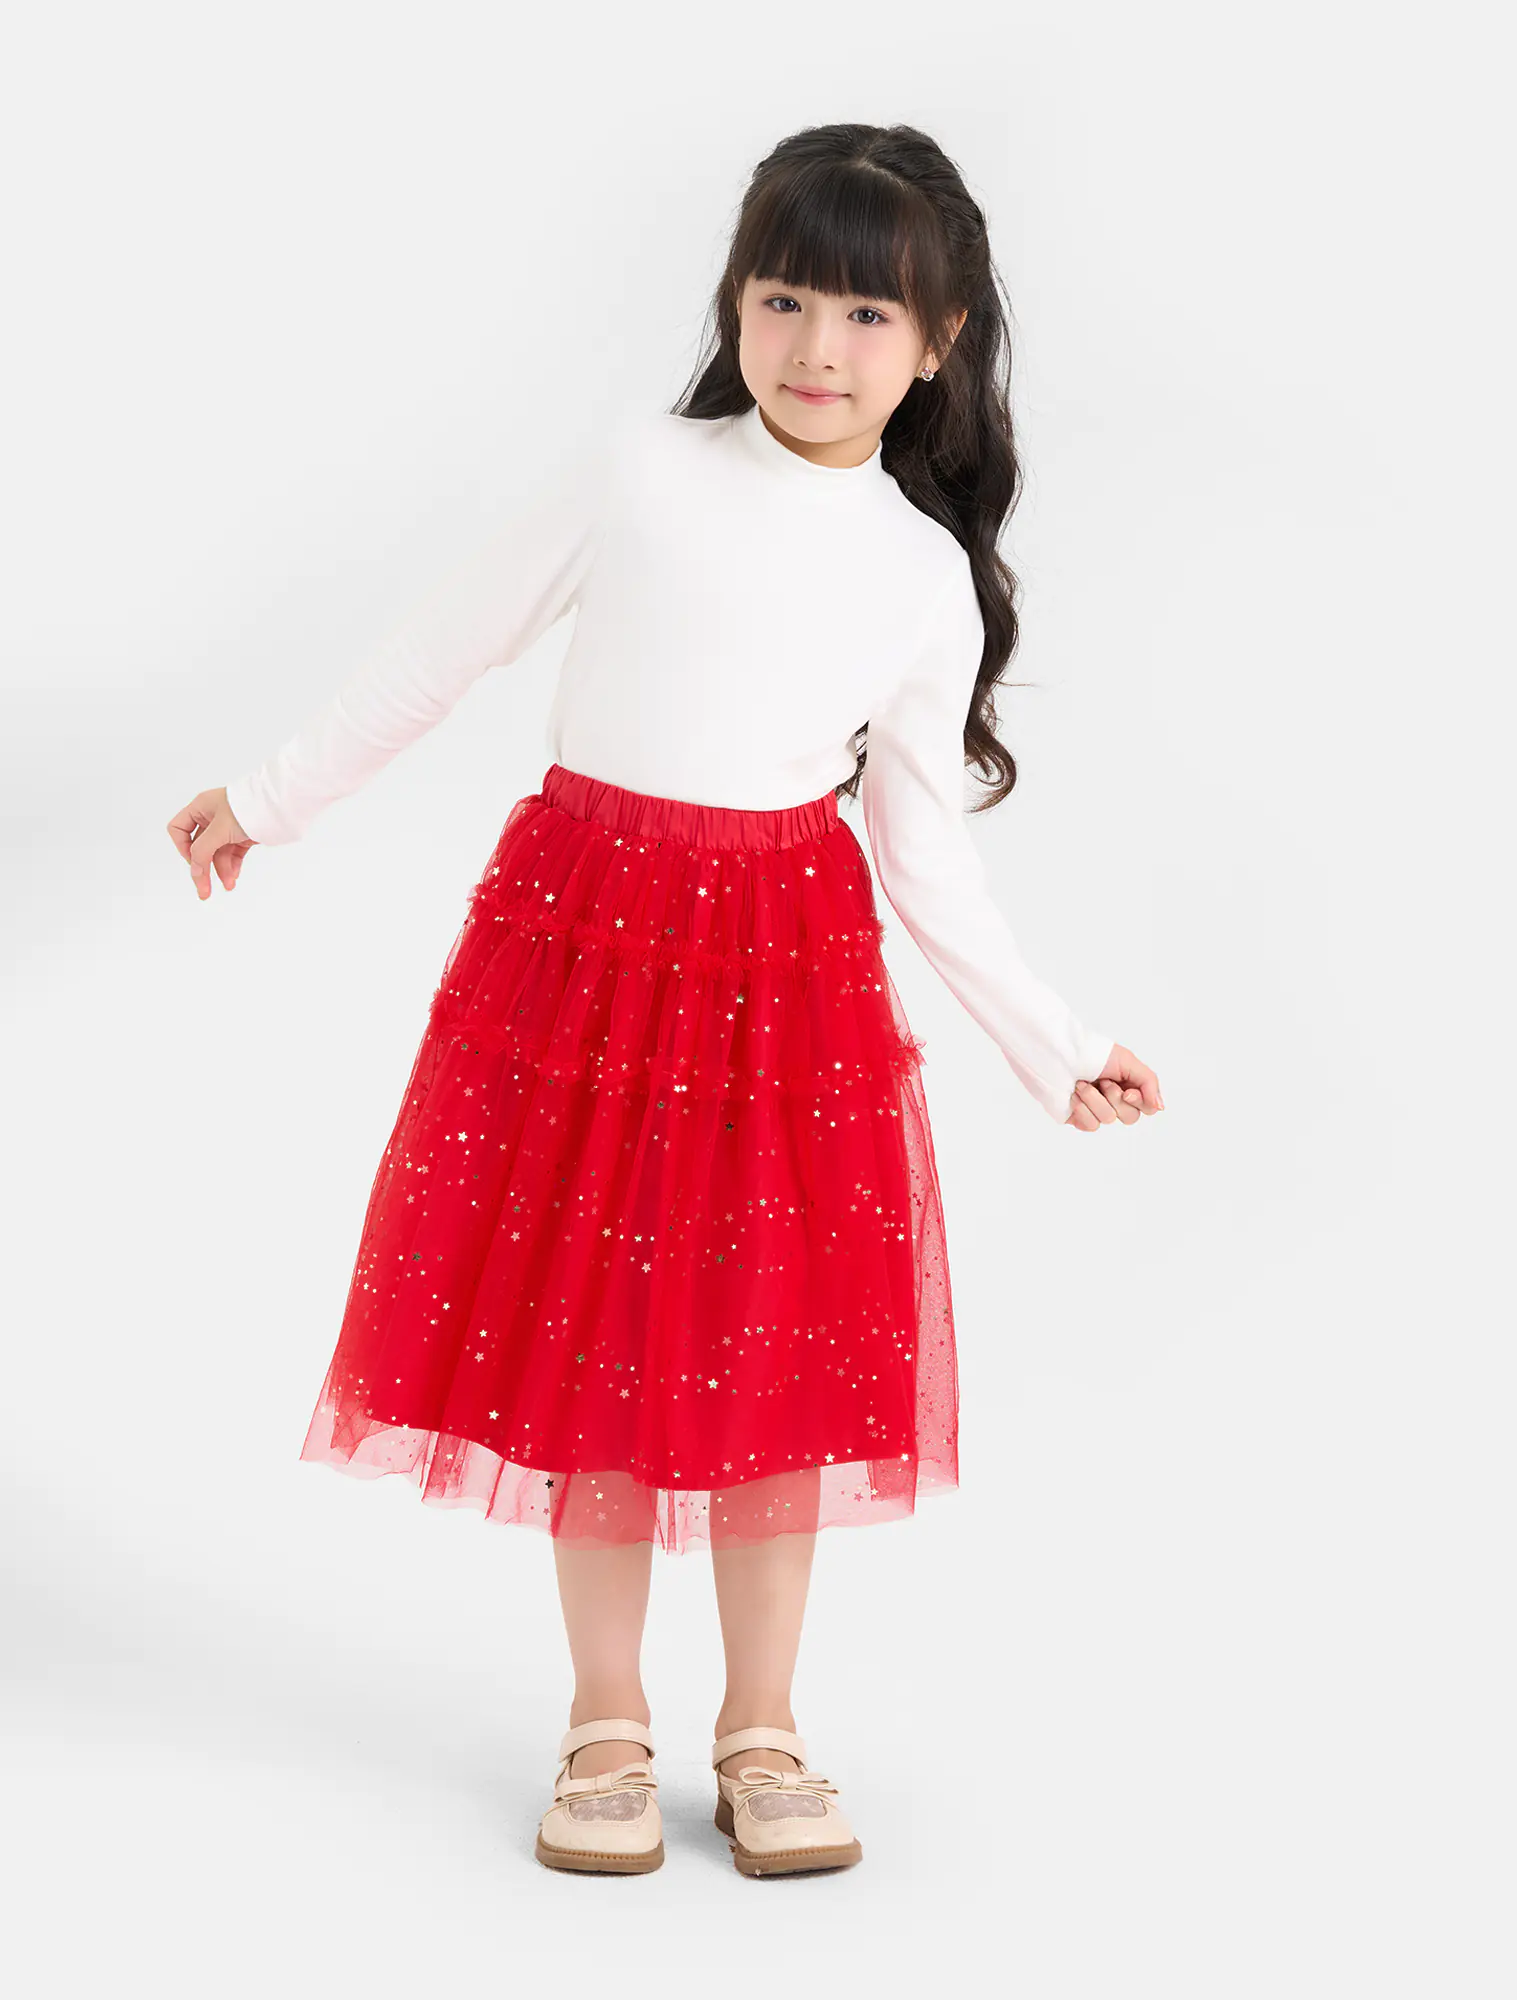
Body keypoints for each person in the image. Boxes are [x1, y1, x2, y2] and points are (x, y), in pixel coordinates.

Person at [169, 120, 1163, 1879]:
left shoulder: (918, 574)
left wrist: (1057, 1047)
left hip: (785, 983)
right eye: (784, 300)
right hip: (583, 954)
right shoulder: (641, 472)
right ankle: (605, 1717)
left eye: (867, 315)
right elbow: (445, 645)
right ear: (735, 302)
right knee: (597, 1344)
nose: (815, 348)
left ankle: (763, 1727)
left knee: (775, 1354)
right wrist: (270, 796)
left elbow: (925, 856)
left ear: (938, 344)